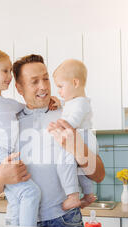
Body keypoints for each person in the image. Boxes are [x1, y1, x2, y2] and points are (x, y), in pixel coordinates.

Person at [0, 54, 105, 227]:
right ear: (19, 87)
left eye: (46, 79)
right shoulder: (8, 122)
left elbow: (99, 174)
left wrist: (77, 148)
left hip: (64, 219)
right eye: (34, 82)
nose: (43, 87)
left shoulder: (69, 115)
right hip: (19, 219)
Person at [0, 48, 58, 227]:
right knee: (31, 193)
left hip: (5, 155)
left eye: (9, 71)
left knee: (17, 198)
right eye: (4, 71)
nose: (9, 76)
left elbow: (34, 104)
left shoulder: (11, 104)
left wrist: (52, 100)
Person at [52, 59, 96, 209]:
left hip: (80, 137)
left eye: (61, 86)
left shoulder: (81, 103)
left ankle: (72, 196)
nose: (59, 91)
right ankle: (89, 194)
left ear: (75, 83)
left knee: (64, 164)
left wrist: (59, 126)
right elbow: (69, 107)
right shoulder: (75, 101)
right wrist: (60, 104)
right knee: (80, 170)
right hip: (83, 137)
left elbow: (73, 121)